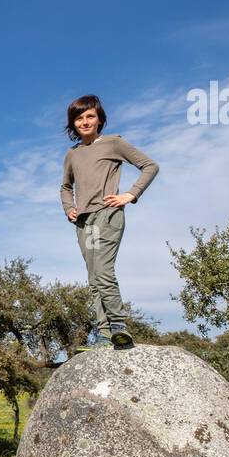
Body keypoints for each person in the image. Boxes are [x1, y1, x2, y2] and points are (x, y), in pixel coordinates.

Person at [58, 94, 158, 351]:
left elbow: (149, 166)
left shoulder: (114, 143)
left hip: (107, 214)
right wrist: (69, 208)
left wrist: (130, 194)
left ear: (100, 119)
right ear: (73, 124)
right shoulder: (72, 154)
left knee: (103, 271)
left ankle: (119, 328)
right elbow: (65, 187)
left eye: (90, 116)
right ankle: (103, 335)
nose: (85, 121)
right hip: (85, 223)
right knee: (93, 278)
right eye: (79, 118)